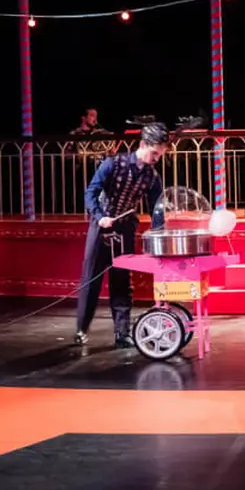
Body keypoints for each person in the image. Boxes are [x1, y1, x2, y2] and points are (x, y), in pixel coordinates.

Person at [75, 122, 169, 347]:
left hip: (125, 227)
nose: (156, 158)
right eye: (154, 153)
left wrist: (159, 234)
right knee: (92, 278)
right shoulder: (113, 164)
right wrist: (100, 216)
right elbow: (91, 193)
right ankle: (81, 329)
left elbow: (157, 209)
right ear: (143, 144)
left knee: (121, 279)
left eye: (160, 154)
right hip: (101, 225)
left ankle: (122, 333)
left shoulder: (152, 177)